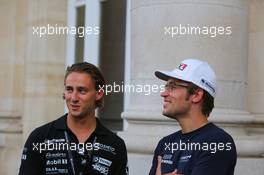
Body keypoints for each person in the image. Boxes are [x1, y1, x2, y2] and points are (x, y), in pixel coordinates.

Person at [19, 62, 128, 175]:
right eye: (69, 89)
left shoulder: (115, 145)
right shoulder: (40, 138)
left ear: (99, 93)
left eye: (82, 90)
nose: (74, 98)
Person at [149, 59, 237, 175]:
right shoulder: (165, 143)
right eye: (166, 86)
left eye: (172, 87)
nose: (163, 93)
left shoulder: (218, 142)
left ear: (196, 95)